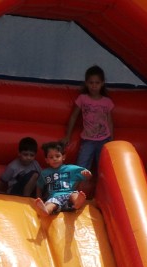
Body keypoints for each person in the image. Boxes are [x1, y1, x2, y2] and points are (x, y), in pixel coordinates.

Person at [61, 65, 113, 194]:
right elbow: (73, 117)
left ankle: (102, 198)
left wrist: (111, 139)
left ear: (102, 83)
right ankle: (71, 194)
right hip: (88, 140)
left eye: (97, 83)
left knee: (103, 169)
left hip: (103, 140)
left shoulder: (106, 102)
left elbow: (109, 121)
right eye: (91, 83)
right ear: (86, 83)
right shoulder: (83, 99)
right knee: (81, 167)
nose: (94, 86)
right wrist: (68, 135)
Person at [34, 141, 92, 217]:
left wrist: (87, 174)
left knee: (74, 194)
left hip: (69, 193)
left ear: (63, 157)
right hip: (54, 196)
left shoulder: (71, 168)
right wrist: (39, 198)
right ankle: (45, 211)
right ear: (47, 160)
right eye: (51, 157)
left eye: (57, 156)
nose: (54, 159)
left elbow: (87, 176)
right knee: (51, 204)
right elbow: (39, 185)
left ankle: (77, 203)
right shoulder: (45, 173)